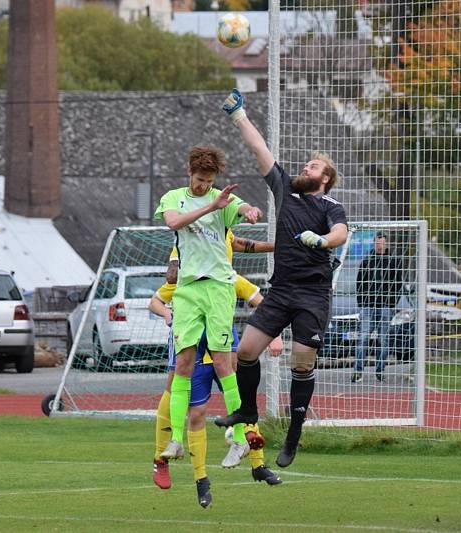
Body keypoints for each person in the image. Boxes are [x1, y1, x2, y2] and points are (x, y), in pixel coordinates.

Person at [214, 89, 348, 468]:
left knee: (301, 363)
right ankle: (245, 414)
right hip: (282, 290)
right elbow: (261, 150)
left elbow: (341, 235)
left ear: (326, 180)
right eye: (305, 165)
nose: (306, 168)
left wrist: (321, 240)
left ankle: (293, 437)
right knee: (246, 351)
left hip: (312, 295)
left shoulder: (331, 206)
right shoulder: (285, 190)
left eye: (314, 167)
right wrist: (239, 116)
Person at [153, 146, 263, 468]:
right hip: (187, 289)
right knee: (183, 365)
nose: (204, 185)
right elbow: (173, 223)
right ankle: (175, 440)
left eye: (210, 180)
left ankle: (240, 440)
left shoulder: (222, 199)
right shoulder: (174, 198)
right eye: (200, 179)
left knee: (223, 364)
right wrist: (208, 207)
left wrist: (249, 210)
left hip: (217, 287)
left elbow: (241, 207)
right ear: (190, 173)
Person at [150, 230, 279, 493]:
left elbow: (260, 299)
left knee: (243, 401)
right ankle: (161, 459)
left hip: (222, 351)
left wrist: (273, 334)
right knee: (184, 401)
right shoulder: (187, 268)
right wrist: (166, 313)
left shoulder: (229, 277)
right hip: (190, 347)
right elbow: (157, 297)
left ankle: (257, 463)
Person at [351, 232, 404, 383]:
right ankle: (358, 371)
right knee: (363, 339)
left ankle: (380, 371)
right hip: (368, 307)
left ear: (386, 244)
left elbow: (398, 284)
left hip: (386, 307)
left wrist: (392, 303)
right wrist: (362, 304)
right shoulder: (367, 261)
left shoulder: (393, 262)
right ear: (374, 244)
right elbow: (359, 284)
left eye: (382, 242)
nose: (380, 245)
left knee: (383, 340)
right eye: (377, 242)